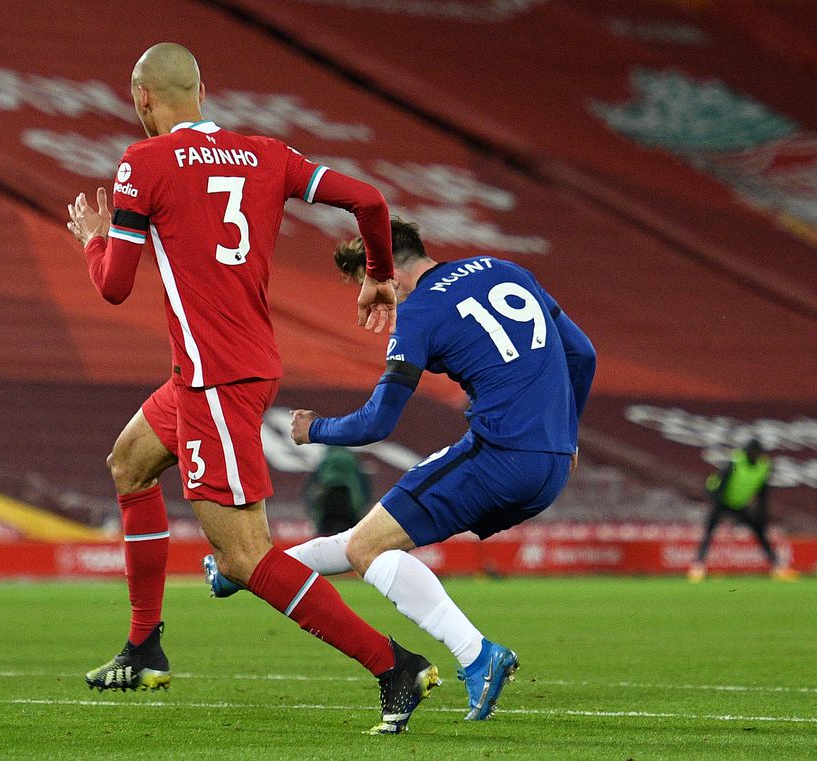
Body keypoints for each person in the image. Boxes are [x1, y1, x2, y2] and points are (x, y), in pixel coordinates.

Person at [66, 43, 438, 735]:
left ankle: (395, 665)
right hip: (223, 368)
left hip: (217, 379)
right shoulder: (267, 154)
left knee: (243, 555)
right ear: (202, 90)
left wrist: (93, 238)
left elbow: (114, 286)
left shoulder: (143, 163)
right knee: (130, 462)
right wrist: (379, 274)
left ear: (141, 97)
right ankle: (143, 647)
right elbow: (370, 199)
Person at [204, 218, 596, 720]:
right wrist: (568, 433)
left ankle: (477, 655)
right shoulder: (506, 269)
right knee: (367, 539)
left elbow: (377, 421)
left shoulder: (421, 311)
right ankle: (242, 570)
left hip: (500, 454)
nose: (372, 301)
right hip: (551, 464)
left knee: (367, 549)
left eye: (369, 285)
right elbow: (582, 353)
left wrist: (313, 429)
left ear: (385, 271)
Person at [689, 438, 796, 582]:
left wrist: (761, 513)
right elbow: (722, 480)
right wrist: (716, 502)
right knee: (709, 531)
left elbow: (763, 492)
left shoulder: (763, 467)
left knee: (760, 531)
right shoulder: (736, 462)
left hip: (739, 504)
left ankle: (777, 567)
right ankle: (698, 566)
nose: (754, 455)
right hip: (722, 501)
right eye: (752, 452)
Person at [304, 446, 369, 536]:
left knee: (324, 540)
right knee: (349, 538)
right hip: (351, 509)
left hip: (326, 512)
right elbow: (364, 487)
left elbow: (311, 488)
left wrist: (314, 511)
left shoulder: (325, 460)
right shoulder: (352, 460)